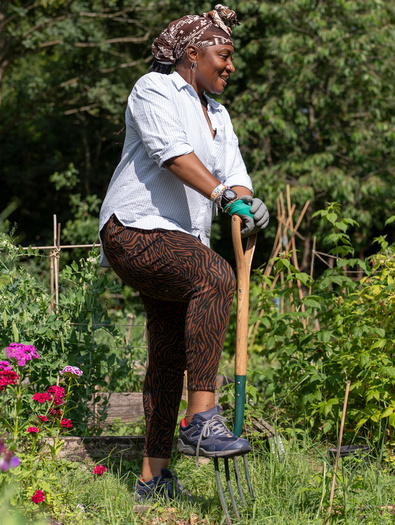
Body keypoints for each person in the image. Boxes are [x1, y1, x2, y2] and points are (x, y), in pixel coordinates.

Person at [98, 4, 269, 501]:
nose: (231, 65)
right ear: (192, 55)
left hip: (180, 240)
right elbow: (170, 153)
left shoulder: (218, 113)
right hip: (133, 229)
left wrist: (246, 200)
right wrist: (221, 196)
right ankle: (202, 417)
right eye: (224, 54)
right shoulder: (153, 90)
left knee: (169, 353)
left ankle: (153, 480)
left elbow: (234, 173)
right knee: (215, 277)